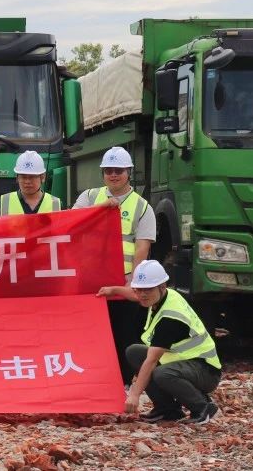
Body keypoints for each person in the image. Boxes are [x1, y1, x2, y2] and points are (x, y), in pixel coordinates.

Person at [98, 260, 221, 425]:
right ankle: (167, 410)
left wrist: (134, 395)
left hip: (205, 370)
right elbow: (135, 295)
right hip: (184, 361)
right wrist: (113, 290)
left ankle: (202, 407)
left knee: (162, 373)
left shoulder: (170, 318)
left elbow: (151, 360)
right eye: (139, 289)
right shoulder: (163, 295)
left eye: (147, 289)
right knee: (134, 352)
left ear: (162, 287)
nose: (142, 295)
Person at [73, 146, 156, 384]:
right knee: (91, 334)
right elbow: (73, 222)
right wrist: (101, 207)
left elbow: (142, 247)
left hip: (123, 281)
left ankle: (122, 383)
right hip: (91, 280)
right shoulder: (89, 197)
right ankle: (92, 380)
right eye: (108, 171)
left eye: (118, 171)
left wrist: (135, 282)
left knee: (123, 334)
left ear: (129, 172)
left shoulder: (142, 207)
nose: (113, 175)